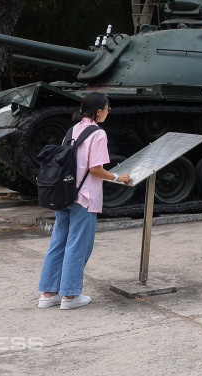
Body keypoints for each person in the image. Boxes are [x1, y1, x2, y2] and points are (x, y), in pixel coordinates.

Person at [36, 92, 131, 310]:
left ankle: (48, 294)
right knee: (78, 246)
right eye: (107, 108)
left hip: (63, 194)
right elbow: (95, 169)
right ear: (99, 111)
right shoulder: (98, 134)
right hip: (85, 197)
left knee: (58, 243)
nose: (108, 112)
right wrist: (118, 177)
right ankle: (70, 296)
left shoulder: (72, 130)